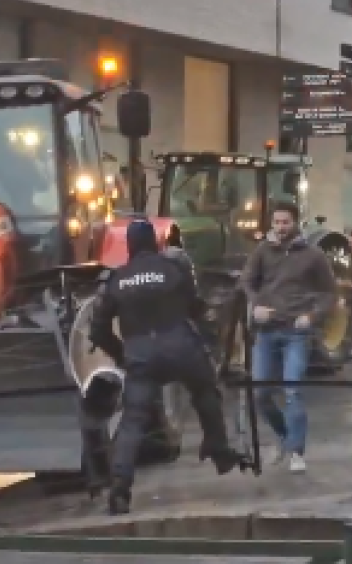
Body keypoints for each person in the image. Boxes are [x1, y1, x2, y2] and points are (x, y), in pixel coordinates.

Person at [89, 221, 246, 515]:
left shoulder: (117, 280)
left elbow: (97, 330)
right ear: (156, 242)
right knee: (205, 389)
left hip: (141, 356)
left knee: (133, 420)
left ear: (130, 245)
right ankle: (218, 448)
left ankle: (120, 488)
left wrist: (122, 354)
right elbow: (195, 308)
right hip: (181, 349)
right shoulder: (174, 270)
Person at [241, 201, 338, 473]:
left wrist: (312, 316)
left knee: (292, 390)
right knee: (260, 394)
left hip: (297, 331)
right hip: (267, 330)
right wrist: (255, 305)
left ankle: (297, 452)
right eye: (277, 223)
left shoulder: (314, 255)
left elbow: (330, 293)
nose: (281, 228)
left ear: (295, 223)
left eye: (285, 222)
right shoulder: (262, 251)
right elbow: (247, 281)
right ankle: (284, 436)